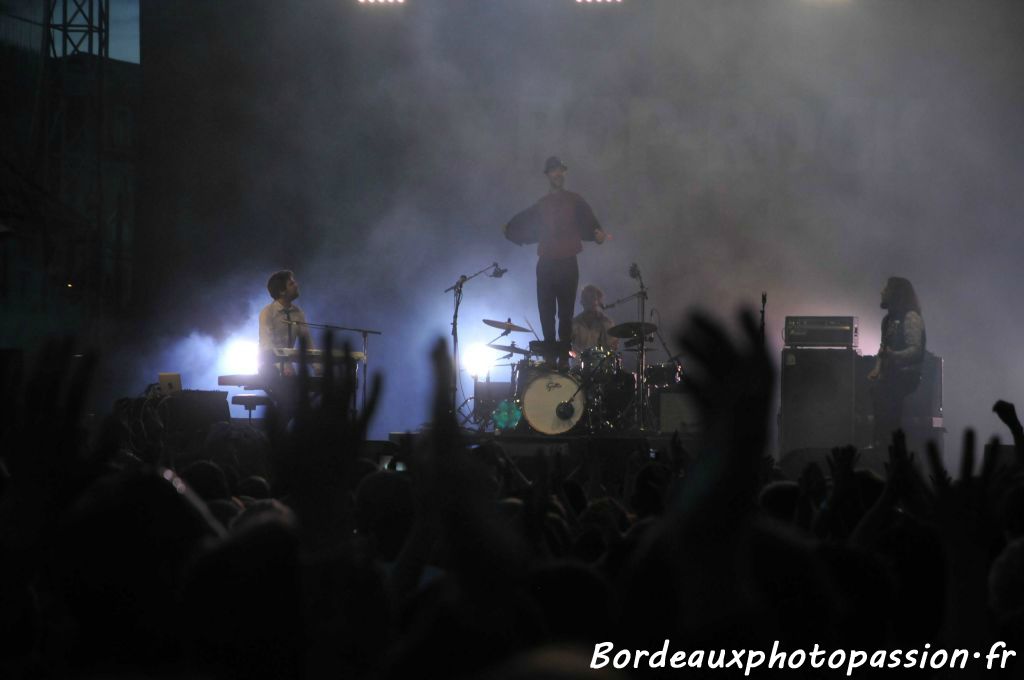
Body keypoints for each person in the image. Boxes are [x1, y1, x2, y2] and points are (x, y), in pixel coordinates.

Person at [503, 156, 607, 366]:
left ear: (564, 173)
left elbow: (590, 223)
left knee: (565, 315)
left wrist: (597, 234)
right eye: (553, 171)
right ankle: (551, 359)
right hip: (547, 264)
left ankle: (562, 362)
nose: (557, 174)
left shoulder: (575, 200)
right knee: (546, 313)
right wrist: (511, 230)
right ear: (548, 175)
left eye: (560, 170)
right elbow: (526, 220)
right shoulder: (542, 204)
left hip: (568, 262)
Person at [867, 276, 926, 447]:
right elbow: (883, 347)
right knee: (878, 392)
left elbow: (916, 350)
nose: (882, 291)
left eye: (886, 288)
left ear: (895, 293)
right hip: (892, 374)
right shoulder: (887, 320)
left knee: (886, 394)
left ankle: (886, 443)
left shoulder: (911, 317)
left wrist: (894, 356)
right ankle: (881, 441)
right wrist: (877, 369)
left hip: (908, 374)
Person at [258, 270, 313, 376]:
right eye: (291, 284)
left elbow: (307, 343)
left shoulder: (298, 313)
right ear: (282, 291)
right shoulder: (268, 312)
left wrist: (319, 367)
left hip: (288, 367)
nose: (296, 285)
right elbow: (267, 345)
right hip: (269, 367)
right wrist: (281, 367)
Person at [572, 284, 618, 353]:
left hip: (601, 362)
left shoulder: (607, 322)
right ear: (582, 302)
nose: (590, 301)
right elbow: (566, 345)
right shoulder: (574, 323)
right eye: (586, 298)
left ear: (599, 301)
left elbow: (612, 346)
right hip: (578, 362)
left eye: (592, 298)